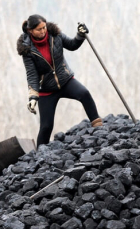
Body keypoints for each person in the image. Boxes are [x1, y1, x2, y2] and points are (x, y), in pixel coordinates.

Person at [16, 14, 102, 147]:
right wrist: (33, 97)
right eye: (39, 29)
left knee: (84, 93)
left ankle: (99, 128)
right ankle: (40, 154)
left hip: (65, 80)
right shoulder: (27, 49)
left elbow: (72, 45)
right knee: (46, 126)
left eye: (44, 27)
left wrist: (80, 35)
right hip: (46, 90)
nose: (43, 31)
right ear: (30, 30)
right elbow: (32, 74)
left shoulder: (55, 34)